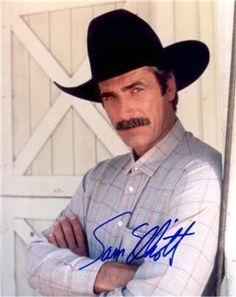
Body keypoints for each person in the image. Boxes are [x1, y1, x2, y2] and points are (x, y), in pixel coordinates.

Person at [25, 9, 222, 296]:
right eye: (110, 96)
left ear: (168, 87)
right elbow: (33, 264)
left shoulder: (200, 175)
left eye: (135, 89)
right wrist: (110, 273)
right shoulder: (97, 180)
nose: (124, 111)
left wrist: (76, 274)